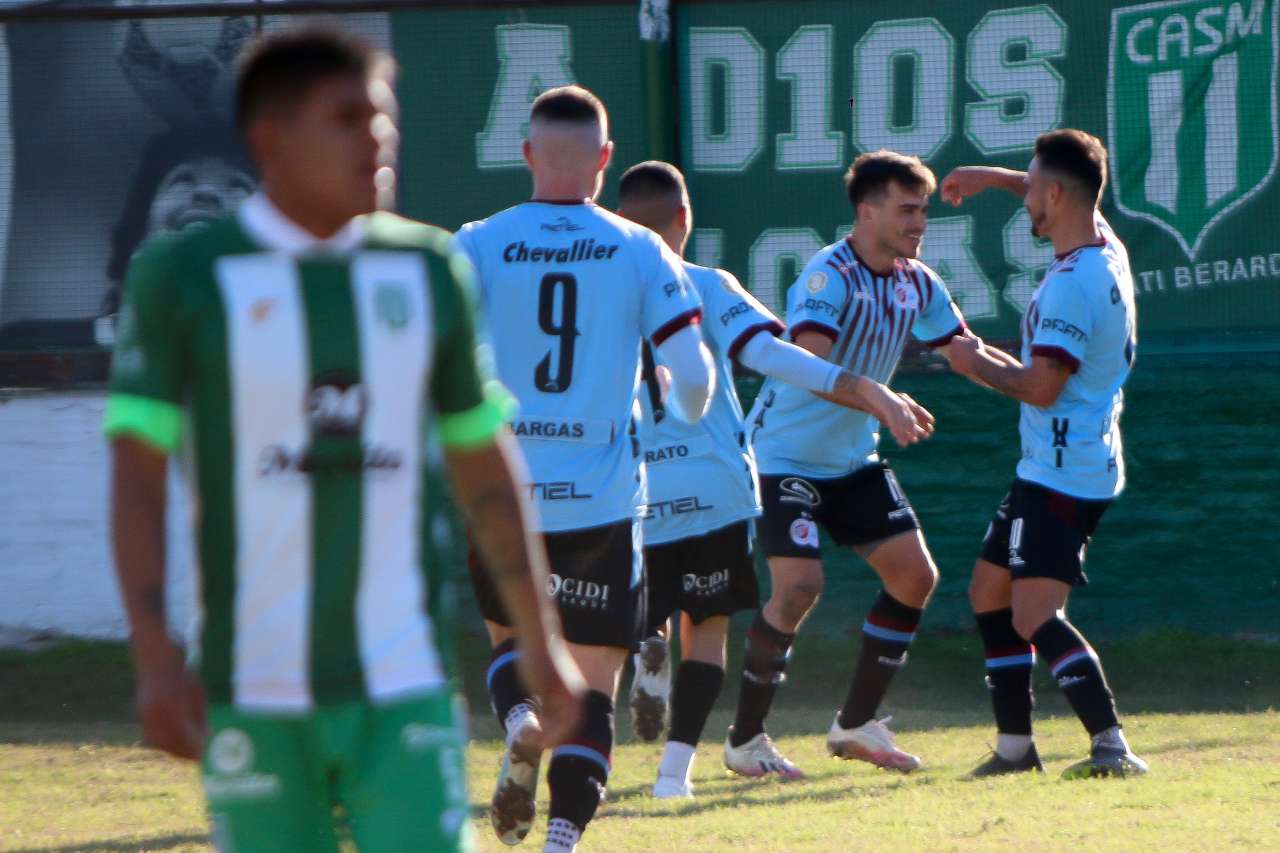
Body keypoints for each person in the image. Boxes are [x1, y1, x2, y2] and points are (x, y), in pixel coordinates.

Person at [104, 28, 584, 853]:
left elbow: (483, 461)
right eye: (348, 119)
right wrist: (153, 654)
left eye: (383, 117)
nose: (378, 138)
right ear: (272, 140)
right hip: (250, 686)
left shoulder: (428, 269)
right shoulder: (184, 275)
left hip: (405, 680)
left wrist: (541, 638)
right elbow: (137, 477)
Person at [615, 160, 935, 799]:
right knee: (715, 622)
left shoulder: (599, 292)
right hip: (725, 475)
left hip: (627, 481)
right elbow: (774, 351)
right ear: (686, 218)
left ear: (620, 222)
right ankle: (680, 772)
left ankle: (588, 730)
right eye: (909, 209)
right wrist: (867, 388)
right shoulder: (711, 285)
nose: (919, 222)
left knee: (607, 630)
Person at [455, 88, 714, 852]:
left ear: (527, 154)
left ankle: (520, 720)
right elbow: (694, 376)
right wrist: (683, 411)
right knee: (595, 685)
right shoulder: (641, 248)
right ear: (606, 158)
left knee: (510, 638)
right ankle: (563, 839)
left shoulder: (476, 242)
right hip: (601, 502)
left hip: (507, 492)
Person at [723, 150, 970, 779]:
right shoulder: (827, 276)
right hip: (782, 456)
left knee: (914, 577)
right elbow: (810, 366)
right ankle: (745, 741)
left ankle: (856, 723)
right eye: (907, 210)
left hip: (853, 458)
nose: (919, 223)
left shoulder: (919, 281)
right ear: (867, 212)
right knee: (799, 588)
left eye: (924, 210)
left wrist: (1034, 381)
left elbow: (963, 350)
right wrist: (881, 396)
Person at [941, 129, 1148, 779]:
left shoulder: (1071, 287)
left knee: (1033, 613)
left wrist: (972, 360)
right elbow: (1061, 189)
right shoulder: (1105, 245)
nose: (1025, 198)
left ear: (1055, 196)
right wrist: (992, 179)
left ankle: (1111, 744)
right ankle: (1014, 748)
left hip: (1064, 472)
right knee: (989, 590)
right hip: (1057, 464)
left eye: (1032, 188)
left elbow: (1040, 386)